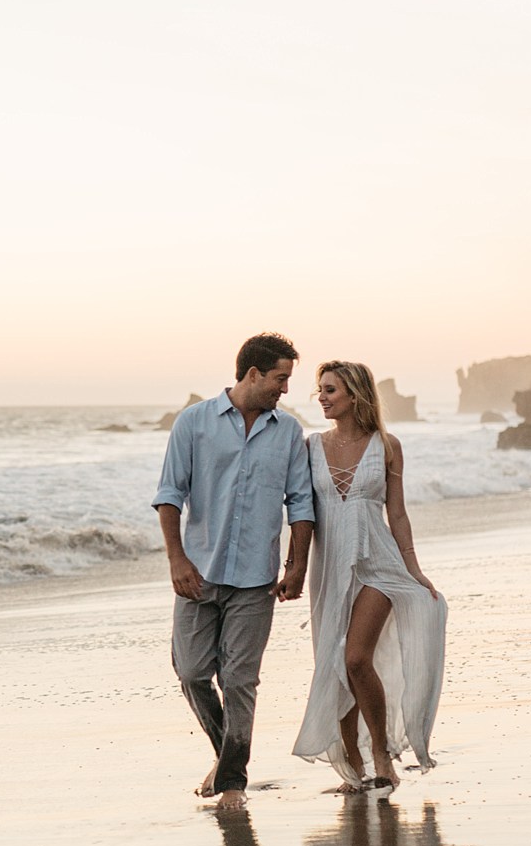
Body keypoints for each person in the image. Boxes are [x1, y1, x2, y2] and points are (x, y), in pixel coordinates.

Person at [153, 332, 315, 812]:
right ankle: (227, 757)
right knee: (192, 671)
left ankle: (232, 783)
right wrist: (177, 559)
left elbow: (300, 502)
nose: (285, 389)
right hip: (198, 572)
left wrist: (296, 565)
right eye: (280, 378)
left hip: (256, 579)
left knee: (241, 680)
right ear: (253, 374)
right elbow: (169, 494)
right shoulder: (195, 423)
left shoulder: (287, 432)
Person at [292, 360, 446, 796]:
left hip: (380, 563)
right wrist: (293, 566)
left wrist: (413, 570)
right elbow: (300, 512)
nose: (321, 397)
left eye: (330, 390)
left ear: (355, 395)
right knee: (335, 663)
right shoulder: (310, 447)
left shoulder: (387, 445)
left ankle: (380, 752)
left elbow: (396, 512)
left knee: (356, 658)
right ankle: (353, 765)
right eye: (319, 390)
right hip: (330, 568)